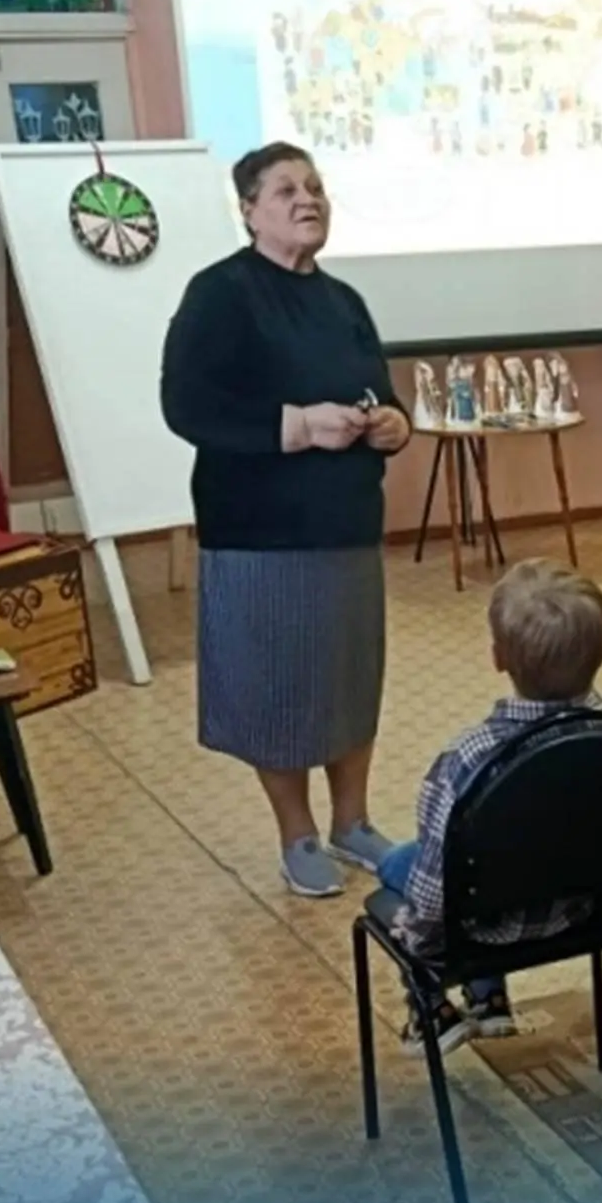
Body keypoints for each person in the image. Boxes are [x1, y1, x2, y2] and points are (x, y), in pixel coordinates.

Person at [161, 142, 411, 899]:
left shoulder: (344, 301)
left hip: (346, 525)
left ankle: (352, 821)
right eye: (286, 190)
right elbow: (188, 407)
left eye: (315, 187)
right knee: (278, 689)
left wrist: (392, 424)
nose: (308, 199)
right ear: (249, 211)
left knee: (349, 679)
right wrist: (298, 426)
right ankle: (296, 833)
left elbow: (381, 392)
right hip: (259, 533)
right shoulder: (219, 293)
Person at [379, 559, 602, 1054]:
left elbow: (432, 901)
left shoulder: (468, 759)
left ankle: (433, 1008)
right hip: (585, 908)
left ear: (498, 657)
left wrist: (419, 945)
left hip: (487, 922)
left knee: (396, 863)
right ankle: (487, 1000)